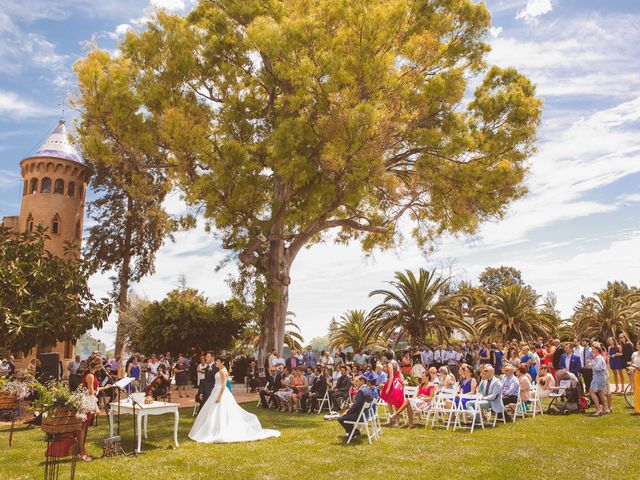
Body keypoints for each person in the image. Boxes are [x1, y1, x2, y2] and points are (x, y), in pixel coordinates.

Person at [189, 356, 280, 443]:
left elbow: (224, 385)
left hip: (220, 392)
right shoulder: (222, 370)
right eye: (216, 361)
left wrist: (219, 396)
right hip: (216, 390)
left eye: (218, 361)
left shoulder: (222, 371)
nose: (216, 362)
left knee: (219, 410)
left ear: (222, 362)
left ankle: (218, 429)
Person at [337, 375, 373, 440]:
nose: (355, 383)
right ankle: (353, 431)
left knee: (340, 418)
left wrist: (347, 412)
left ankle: (354, 431)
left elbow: (356, 406)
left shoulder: (361, 391)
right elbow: (357, 404)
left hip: (360, 416)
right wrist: (352, 406)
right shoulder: (368, 389)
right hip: (365, 414)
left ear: (362, 381)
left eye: (357, 381)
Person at [589, 343, 609, 416]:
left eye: (593, 349)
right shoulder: (597, 357)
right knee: (601, 393)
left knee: (591, 391)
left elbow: (599, 368)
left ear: (597, 349)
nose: (592, 350)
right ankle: (606, 408)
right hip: (599, 377)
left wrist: (592, 365)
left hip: (598, 377)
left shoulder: (599, 358)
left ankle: (598, 409)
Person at [629, 340, 640, 415]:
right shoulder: (636, 353)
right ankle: (637, 409)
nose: (636, 345)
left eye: (638, 344)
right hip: (637, 374)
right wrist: (632, 368)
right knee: (637, 392)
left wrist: (633, 365)